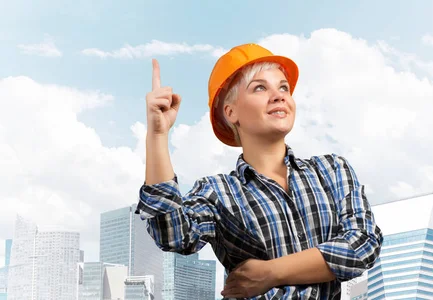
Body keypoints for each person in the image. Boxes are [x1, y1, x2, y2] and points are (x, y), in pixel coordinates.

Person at [135, 43, 383, 300]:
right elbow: (173, 236)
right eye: (260, 87)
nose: (279, 95)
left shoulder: (332, 171)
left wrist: (270, 272)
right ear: (231, 112)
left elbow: (363, 245)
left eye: (283, 87)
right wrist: (157, 135)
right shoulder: (218, 192)